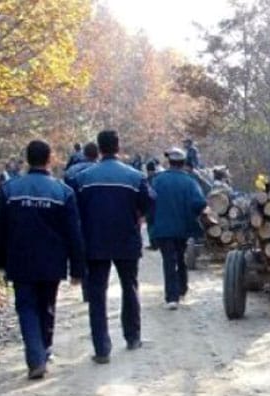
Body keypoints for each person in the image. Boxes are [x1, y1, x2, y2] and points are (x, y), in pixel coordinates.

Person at [0, 140, 85, 379]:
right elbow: (74, 233)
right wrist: (77, 268)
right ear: (49, 159)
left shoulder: (11, 189)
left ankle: (36, 356)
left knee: (26, 308)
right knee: (47, 305)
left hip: (20, 259)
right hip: (52, 261)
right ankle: (42, 351)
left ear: (27, 159)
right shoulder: (63, 192)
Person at [74, 129, 153, 363]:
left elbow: (76, 211)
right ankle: (132, 337)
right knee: (130, 287)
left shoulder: (83, 179)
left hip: (95, 241)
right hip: (126, 240)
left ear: (99, 149)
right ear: (118, 147)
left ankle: (101, 348)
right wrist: (136, 215)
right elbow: (149, 202)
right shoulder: (135, 177)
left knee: (97, 293)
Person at [149, 147, 206, 309]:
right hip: (183, 229)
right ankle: (182, 288)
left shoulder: (158, 180)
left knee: (168, 260)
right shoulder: (190, 182)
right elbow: (199, 203)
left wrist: (152, 225)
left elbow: (149, 203)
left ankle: (171, 297)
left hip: (162, 229)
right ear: (182, 163)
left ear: (170, 162)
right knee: (180, 257)